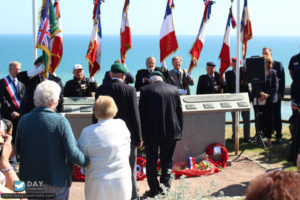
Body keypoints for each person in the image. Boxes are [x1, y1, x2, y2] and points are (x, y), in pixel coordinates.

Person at [16, 80, 89, 198]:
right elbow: (73, 153)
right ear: (52, 101)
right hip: (55, 179)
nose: (59, 101)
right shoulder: (60, 121)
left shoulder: (24, 120)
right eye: (58, 99)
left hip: (30, 181)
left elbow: (19, 150)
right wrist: (87, 162)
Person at [94, 63, 143, 200]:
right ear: (123, 76)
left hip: (104, 135)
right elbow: (135, 115)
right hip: (127, 137)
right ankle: (133, 196)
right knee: (130, 168)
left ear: (110, 74)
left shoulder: (100, 89)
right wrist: (138, 137)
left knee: (106, 167)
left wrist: (94, 130)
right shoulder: (130, 90)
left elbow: (95, 113)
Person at [78, 96, 131, 200]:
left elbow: (79, 156)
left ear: (95, 110)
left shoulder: (88, 131)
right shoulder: (121, 124)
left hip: (98, 182)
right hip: (122, 179)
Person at [139, 71, 183, 197]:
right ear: (162, 80)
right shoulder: (174, 89)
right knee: (167, 161)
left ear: (151, 81)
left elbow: (141, 113)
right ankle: (165, 190)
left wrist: (141, 133)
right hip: (171, 132)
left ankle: (154, 190)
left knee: (151, 161)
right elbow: (179, 112)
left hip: (151, 132)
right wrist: (180, 131)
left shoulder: (145, 90)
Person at [251, 56, 279, 146]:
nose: (265, 64)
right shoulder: (256, 72)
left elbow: (275, 86)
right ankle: (258, 140)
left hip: (269, 100)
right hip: (259, 99)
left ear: (269, 63)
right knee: (259, 119)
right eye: (263, 62)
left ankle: (268, 139)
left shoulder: (273, 72)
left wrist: (266, 95)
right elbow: (254, 85)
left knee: (269, 120)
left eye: (266, 62)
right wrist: (261, 93)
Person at [223, 58, 250, 142]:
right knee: (235, 119)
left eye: (237, 63)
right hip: (233, 98)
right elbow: (227, 86)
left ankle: (247, 137)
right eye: (234, 63)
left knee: (246, 118)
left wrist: (244, 82)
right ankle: (235, 136)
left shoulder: (244, 72)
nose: (235, 65)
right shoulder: (228, 74)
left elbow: (249, 81)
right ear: (231, 64)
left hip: (244, 97)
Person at [262, 47, 285, 143]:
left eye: (266, 53)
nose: (265, 55)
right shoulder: (260, 64)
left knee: (276, 116)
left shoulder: (278, 65)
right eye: (263, 53)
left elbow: (282, 80)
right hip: (264, 97)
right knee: (265, 117)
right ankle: (266, 136)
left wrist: (281, 93)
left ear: (271, 53)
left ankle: (278, 135)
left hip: (275, 96)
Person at [0, 61, 25, 142]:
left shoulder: (22, 82)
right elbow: (3, 99)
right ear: (10, 70)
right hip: (8, 115)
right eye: (16, 69)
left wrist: (21, 112)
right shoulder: (2, 82)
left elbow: (24, 98)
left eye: (19, 69)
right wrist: (11, 112)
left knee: (20, 137)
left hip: (20, 115)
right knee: (10, 139)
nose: (18, 71)